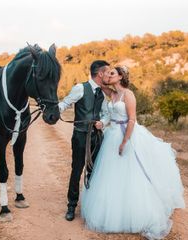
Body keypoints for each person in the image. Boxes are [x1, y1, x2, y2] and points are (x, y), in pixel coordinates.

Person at [81, 66, 185, 239]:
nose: (109, 75)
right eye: (109, 73)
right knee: (111, 174)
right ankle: (113, 209)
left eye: (113, 73)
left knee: (131, 173)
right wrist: (103, 76)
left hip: (126, 135)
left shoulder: (128, 95)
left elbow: (131, 119)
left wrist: (124, 142)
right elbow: (99, 83)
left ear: (121, 76)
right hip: (111, 136)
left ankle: (136, 211)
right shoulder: (112, 94)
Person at [58, 60, 111, 221]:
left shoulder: (102, 93)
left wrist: (103, 122)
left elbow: (106, 113)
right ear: (100, 73)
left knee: (94, 172)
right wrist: (53, 113)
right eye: (107, 72)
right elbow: (65, 103)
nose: (108, 75)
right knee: (77, 170)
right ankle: (71, 206)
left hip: (97, 137)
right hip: (80, 137)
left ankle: (90, 207)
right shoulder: (80, 88)